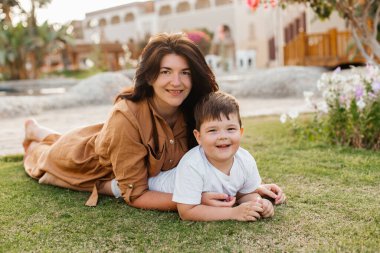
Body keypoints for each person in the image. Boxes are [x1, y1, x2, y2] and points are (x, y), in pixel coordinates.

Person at [23, 32, 219, 210]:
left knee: (80, 138)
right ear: (150, 77)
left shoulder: (193, 108)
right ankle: (34, 134)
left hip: (102, 137)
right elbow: (136, 195)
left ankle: (39, 131)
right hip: (83, 161)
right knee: (41, 156)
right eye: (165, 72)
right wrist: (194, 200)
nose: (176, 82)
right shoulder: (125, 118)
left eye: (185, 73)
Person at [146, 91, 286, 221]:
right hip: (152, 184)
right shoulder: (192, 164)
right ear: (199, 137)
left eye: (230, 129)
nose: (223, 137)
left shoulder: (245, 160)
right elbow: (187, 211)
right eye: (213, 130)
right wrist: (234, 213)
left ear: (241, 132)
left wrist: (260, 203)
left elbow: (243, 194)